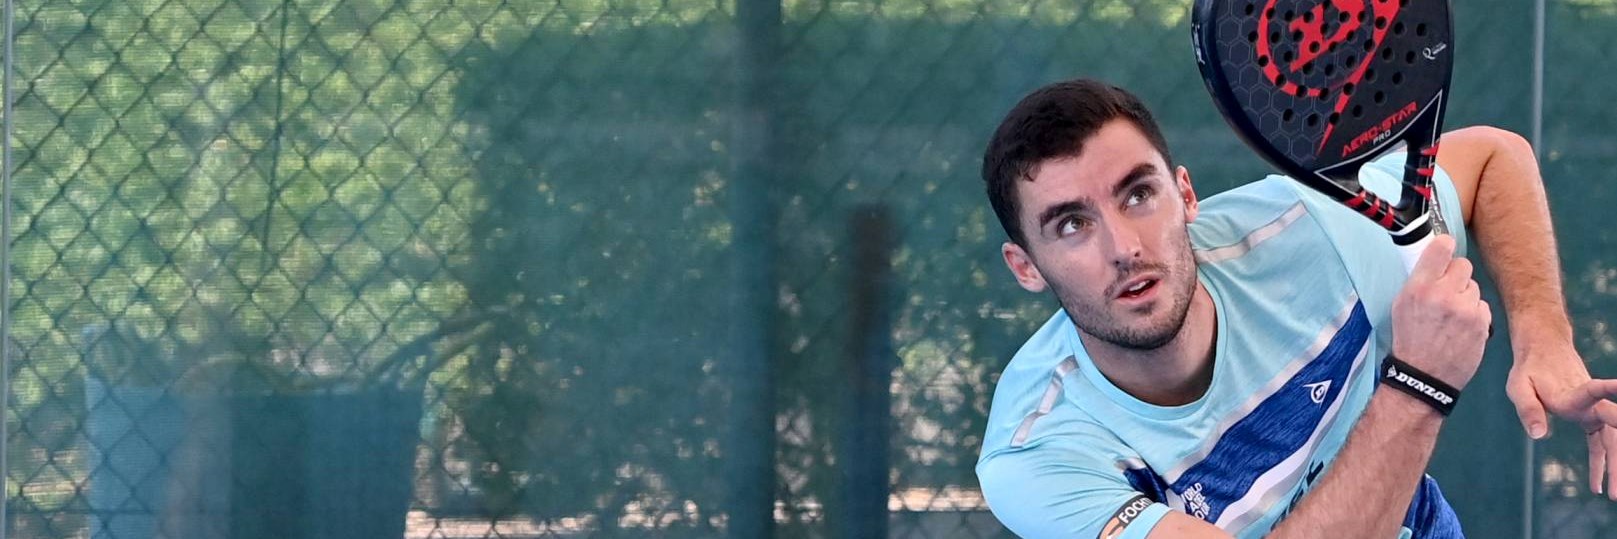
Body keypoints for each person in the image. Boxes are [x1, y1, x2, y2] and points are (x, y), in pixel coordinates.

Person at [973, 78, 1617, 539]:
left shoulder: (1309, 231)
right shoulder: (1039, 456)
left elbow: (1490, 158)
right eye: (1070, 226)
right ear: (1026, 266)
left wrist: (1545, 339)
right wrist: (1419, 386)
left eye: (1139, 194)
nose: (1124, 247)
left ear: (1186, 194)